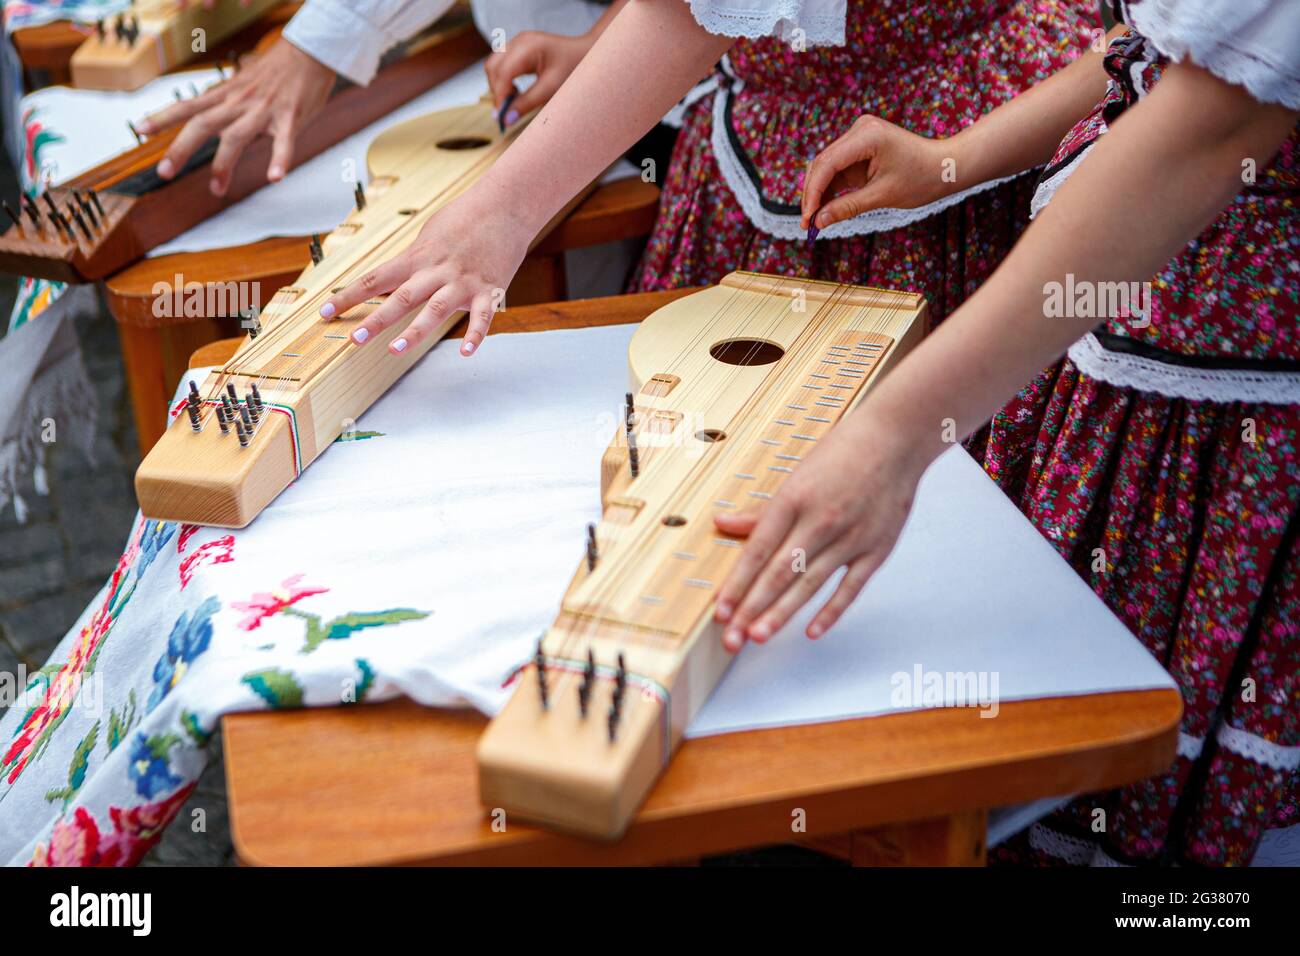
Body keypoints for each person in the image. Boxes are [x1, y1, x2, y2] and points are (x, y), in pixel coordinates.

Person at [711, 0, 1299, 866]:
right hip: (1116, 341)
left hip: (1242, 416)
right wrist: (955, 157)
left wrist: (891, 439)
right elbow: (1155, 56)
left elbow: (1211, 128)